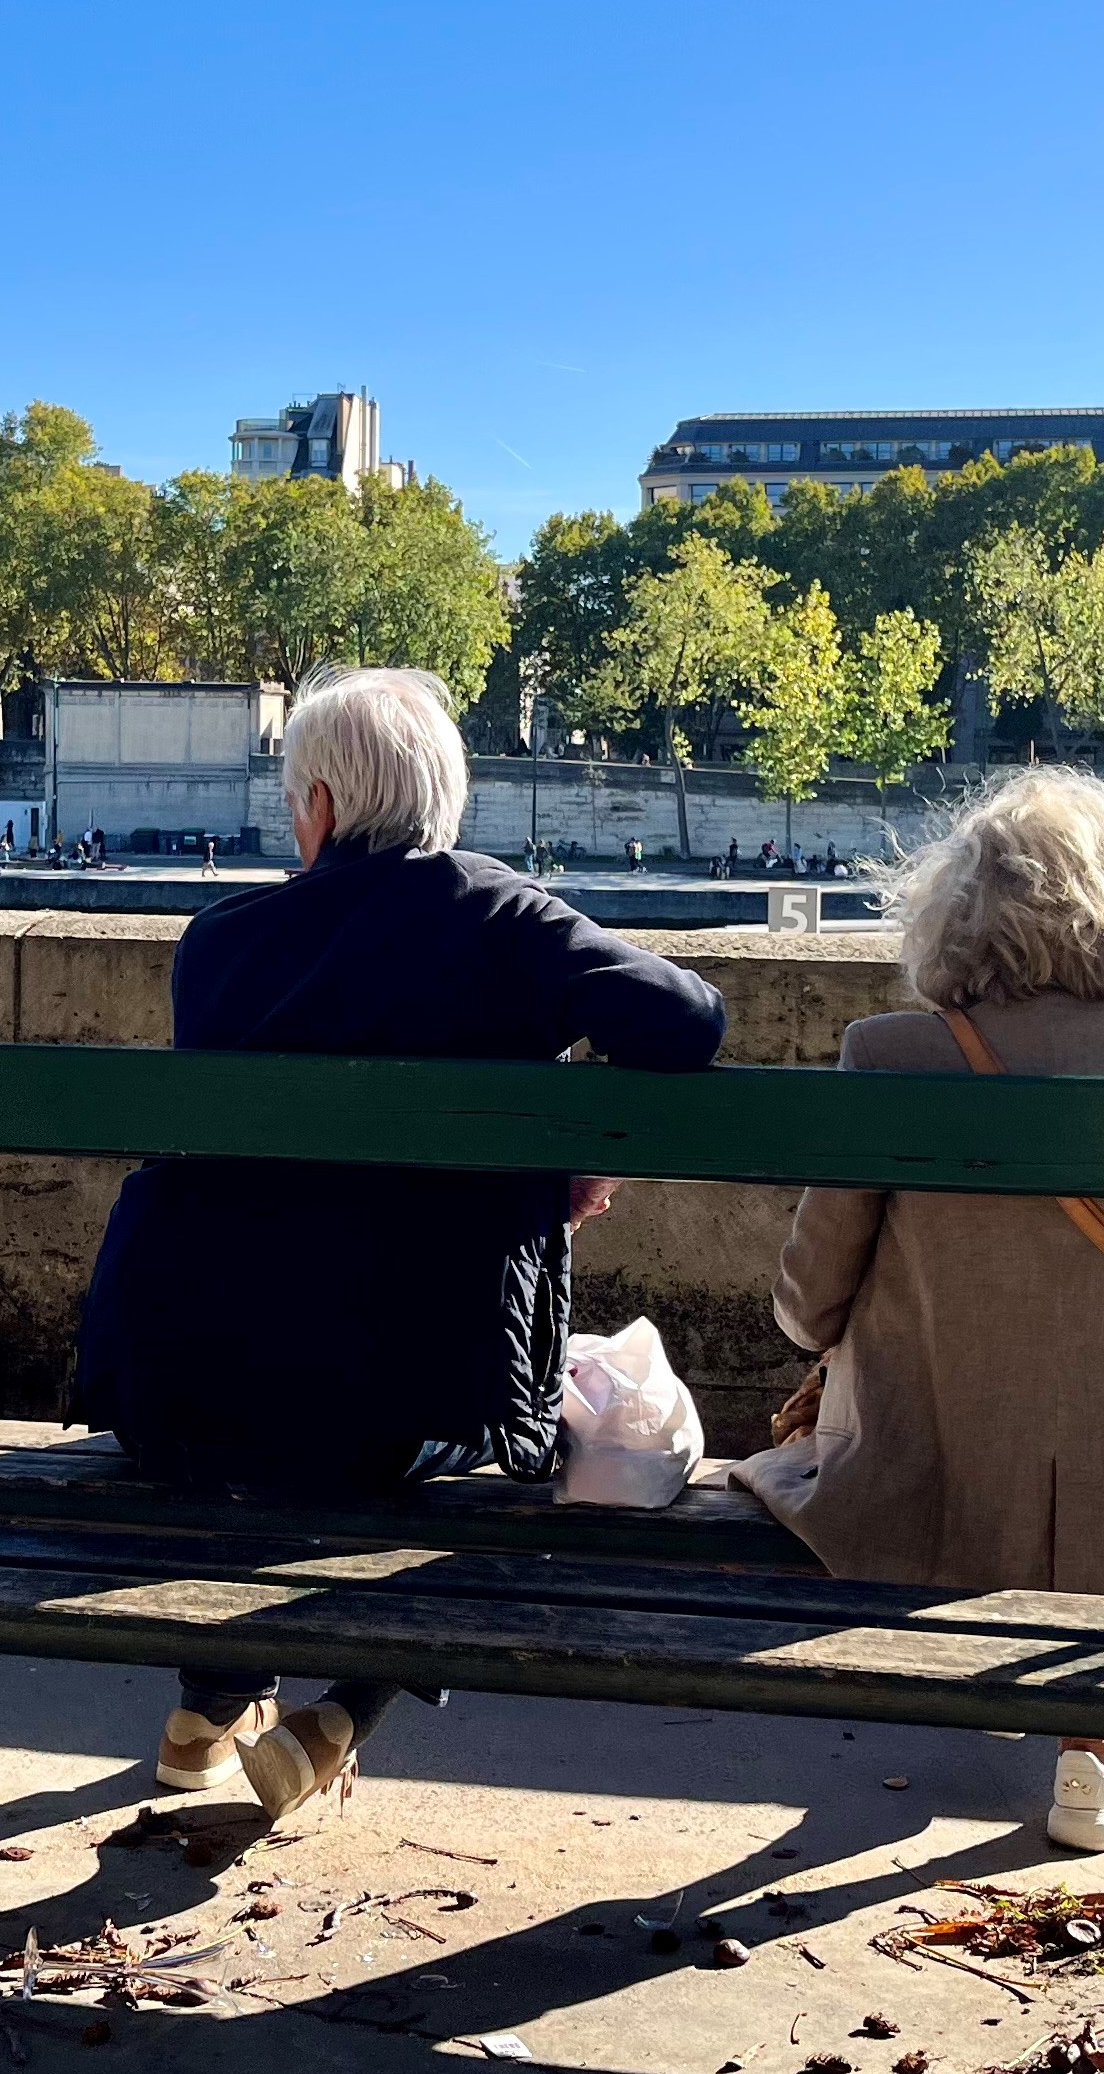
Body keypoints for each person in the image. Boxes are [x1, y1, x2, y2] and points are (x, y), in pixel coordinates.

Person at [70, 667, 728, 1827]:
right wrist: (565, 1136)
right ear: (445, 798)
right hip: (406, 1404)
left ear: (318, 806)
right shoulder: (503, 918)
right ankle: (343, 1713)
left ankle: (207, 1709)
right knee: (532, 1472)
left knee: (272, 1419)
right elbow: (688, 1019)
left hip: (178, 1387)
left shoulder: (219, 940)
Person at [734, 768, 1104, 1855]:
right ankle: (1093, 1754)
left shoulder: (887, 1055)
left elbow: (807, 1310)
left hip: (913, 1473)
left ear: (956, 912)